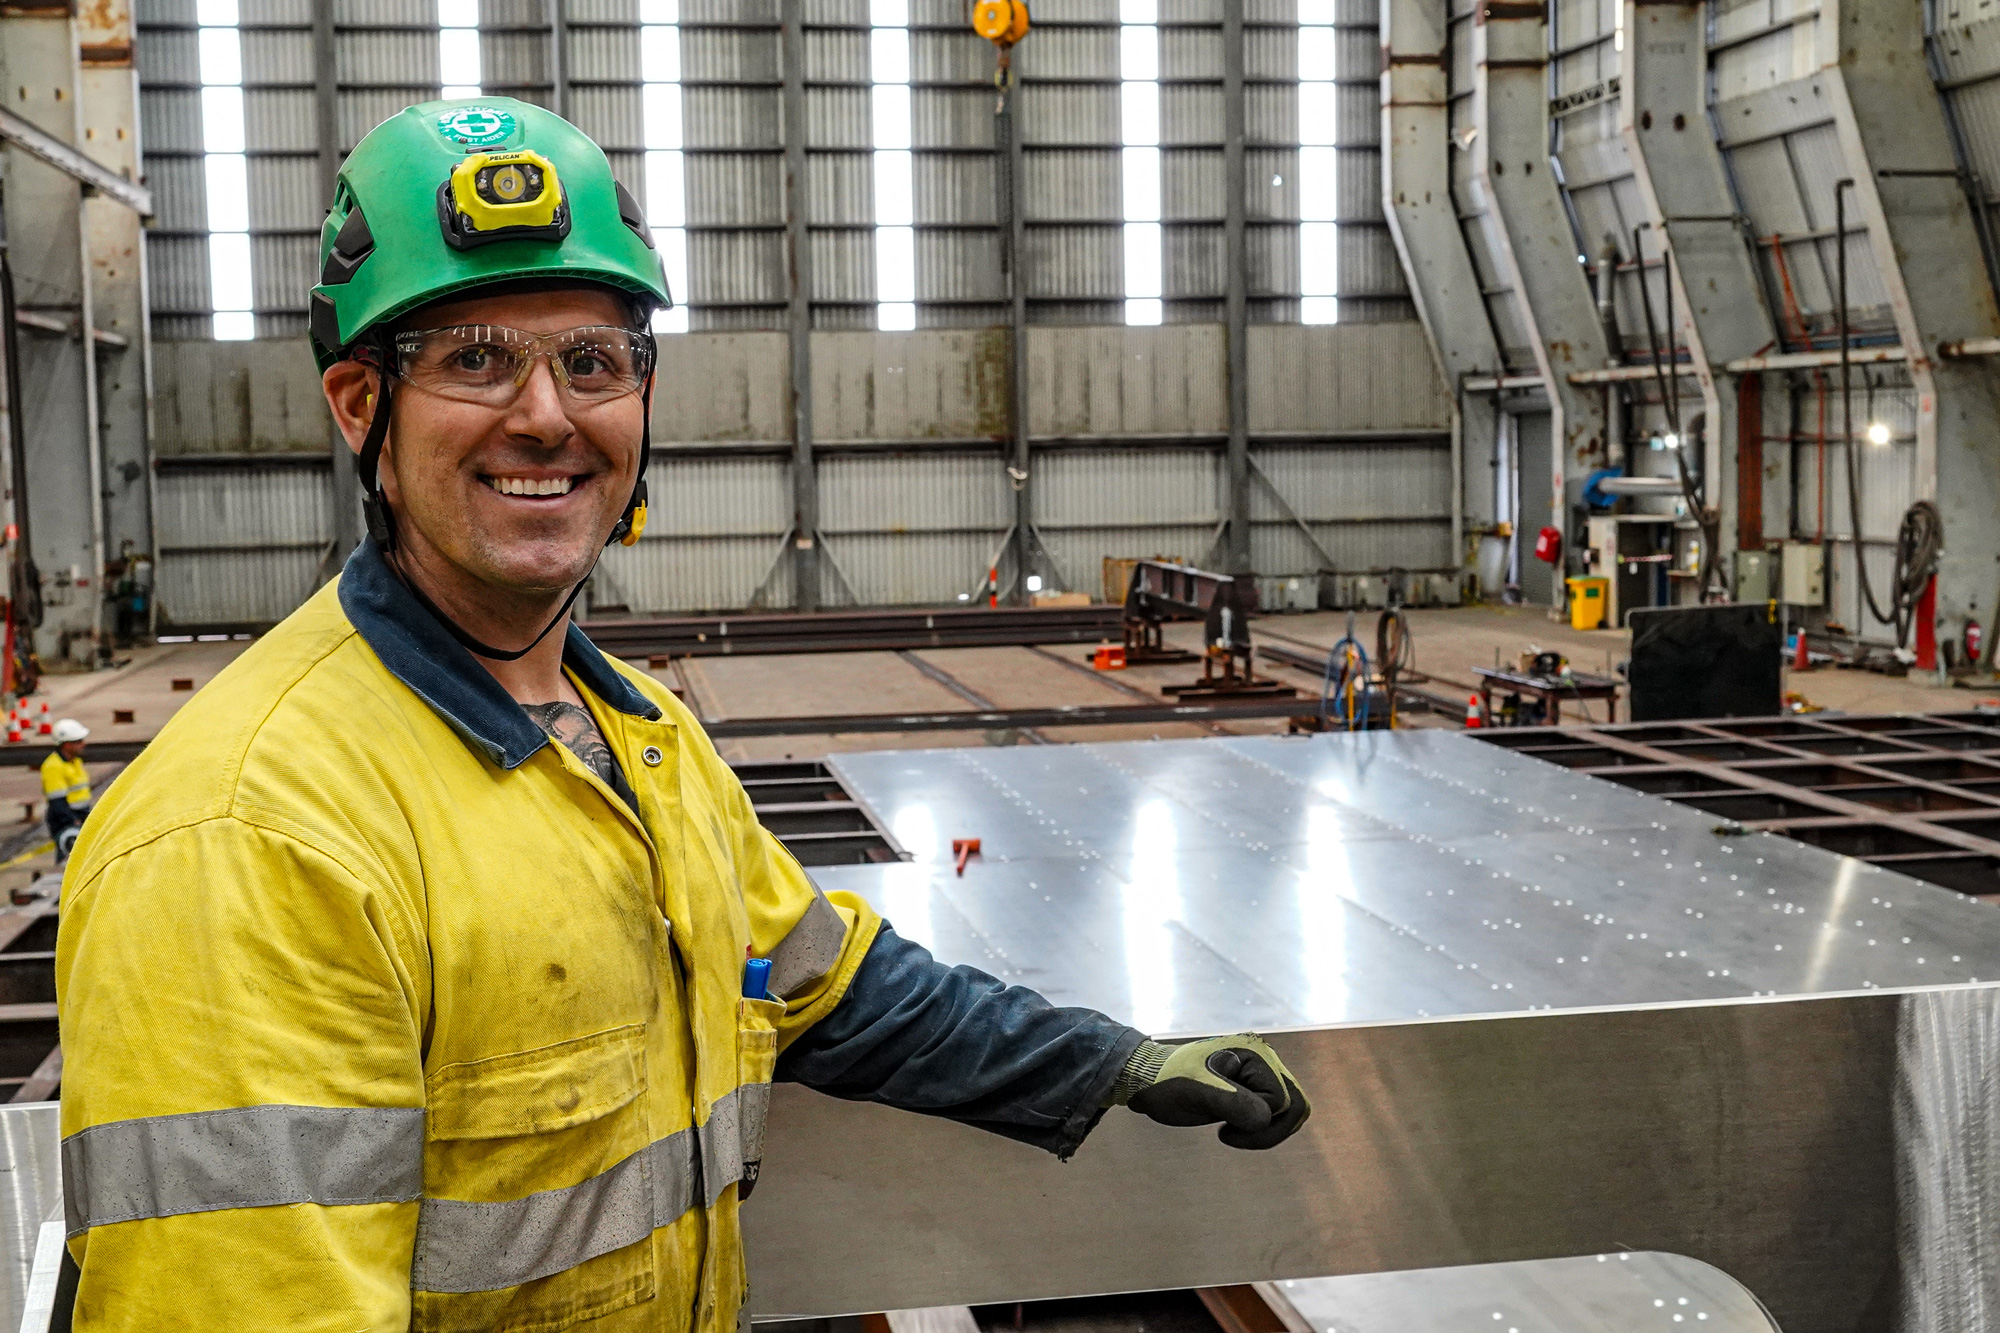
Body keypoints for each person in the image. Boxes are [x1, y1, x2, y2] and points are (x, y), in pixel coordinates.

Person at [54, 98, 1310, 1332]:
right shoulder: (249, 838)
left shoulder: (639, 738)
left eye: (591, 361)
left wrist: (1104, 1063)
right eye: (474, 359)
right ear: (357, 407)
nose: (544, 414)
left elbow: (828, 983)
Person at [39, 718, 90, 863]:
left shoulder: (75, 762)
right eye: (79, 741)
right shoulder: (53, 767)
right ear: (67, 744)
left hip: (80, 818)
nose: (83, 744)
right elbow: (57, 802)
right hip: (66, 822)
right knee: (69, 862)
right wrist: (74, 822)